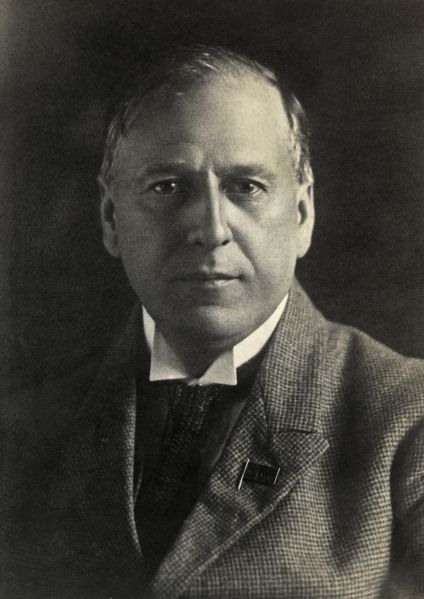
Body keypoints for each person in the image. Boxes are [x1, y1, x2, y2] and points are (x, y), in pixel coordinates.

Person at [1, 45, 423, 599]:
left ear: (301, 214)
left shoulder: (406, 420)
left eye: (246, 187)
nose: (211, 229)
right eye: (167, 187)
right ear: (110, 217)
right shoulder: (24, 430)